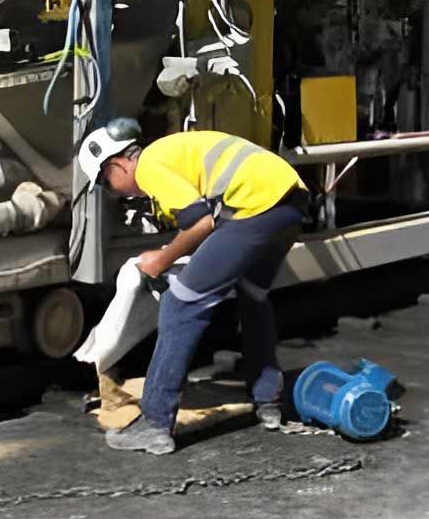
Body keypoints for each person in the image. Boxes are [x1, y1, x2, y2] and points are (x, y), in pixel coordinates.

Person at [78, 119, 310, 455]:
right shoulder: (173, 151)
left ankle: (155, 424)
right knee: (253, 295)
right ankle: (268, 402)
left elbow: (201, 222)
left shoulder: (149, 165)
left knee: (180, 304)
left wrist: (160, 260)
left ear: (117, 163)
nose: (116, 194)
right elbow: (213, 229)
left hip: (256, 206)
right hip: (289, 203)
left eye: (107, 184)